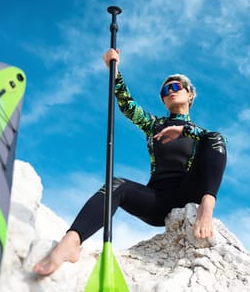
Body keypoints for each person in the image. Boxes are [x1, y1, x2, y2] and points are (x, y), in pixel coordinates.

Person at [33, 48, 227, 276]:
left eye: (176, 87)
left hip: (190, 195)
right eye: (165, 90)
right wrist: (114, 71)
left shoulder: (200, 134)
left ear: (190, 95)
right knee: (117, 184)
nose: (170, 91)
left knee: (216, 138)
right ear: (164, 100)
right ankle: (72, 241)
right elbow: (127, 105)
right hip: (158, 201)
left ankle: (207, 206)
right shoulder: (155, 125)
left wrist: (184, 130)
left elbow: (212, 143)